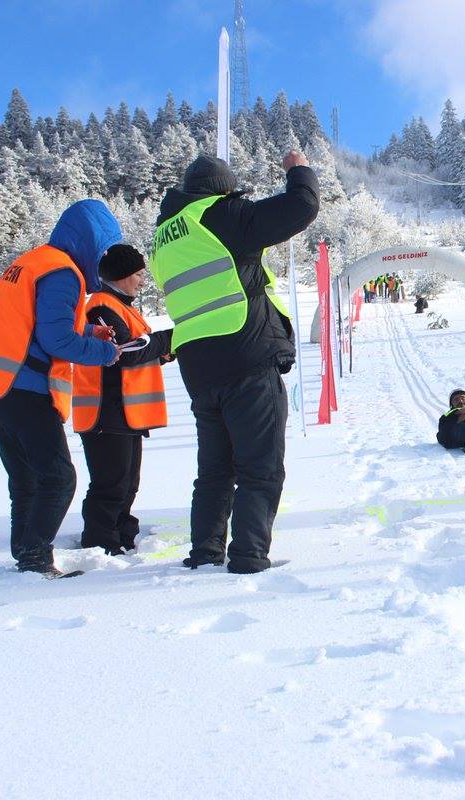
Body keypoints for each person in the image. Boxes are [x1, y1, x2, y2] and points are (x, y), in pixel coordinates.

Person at [151, 151, 319, 573]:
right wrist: (298, 169)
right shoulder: (220, 216)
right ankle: (247, 557)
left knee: (214, 471)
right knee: (260, 467)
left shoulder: (165, 237)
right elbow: (301, 206)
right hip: (246, 354)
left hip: (199, 368)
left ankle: (205, 553)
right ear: (223, 191)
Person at [0, 200, 122, 577]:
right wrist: (105, 352)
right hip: (24, 390)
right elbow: (56, 340)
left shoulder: (34, 261)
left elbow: (36, 322)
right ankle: (34, 557)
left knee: (27, 479)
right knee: (59, 479)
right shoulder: (63, 273)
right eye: (104, 248)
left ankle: (25, 554)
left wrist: (89, 330)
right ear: (90, 241)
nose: (104, 257)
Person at [72, 244, 175, 555]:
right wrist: (169, 339)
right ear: (120, 275)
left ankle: (121, 535)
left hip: (127, 411)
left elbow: (140, 351)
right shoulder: (101, 307)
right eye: (138, 274)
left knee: (128, 482)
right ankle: (100, 542)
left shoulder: (122, 307)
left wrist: (164, 352)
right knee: (111, 483)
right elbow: (125, 353)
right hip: (105, 411)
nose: (143, 281)